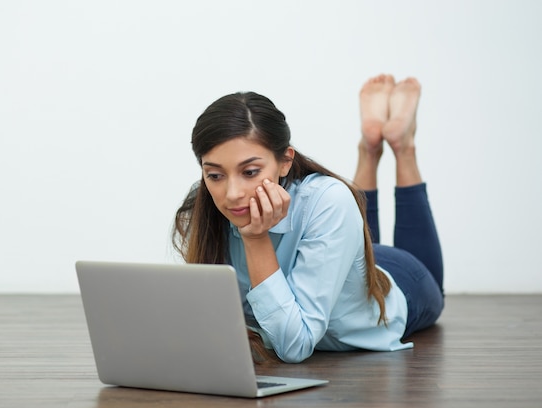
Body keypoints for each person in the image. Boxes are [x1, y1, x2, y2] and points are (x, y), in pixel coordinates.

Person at [172, 74, 444, 364]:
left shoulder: (328, 201)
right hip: (338, 255)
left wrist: (255, 238)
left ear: (285, 161)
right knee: (350, 231)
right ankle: (372, 144)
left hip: (399, 280)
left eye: (250, 172)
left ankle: (399, 147)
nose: (232, 194)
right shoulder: (204, 204)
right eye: (214, 175)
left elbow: (294, 345)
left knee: (427, 280)